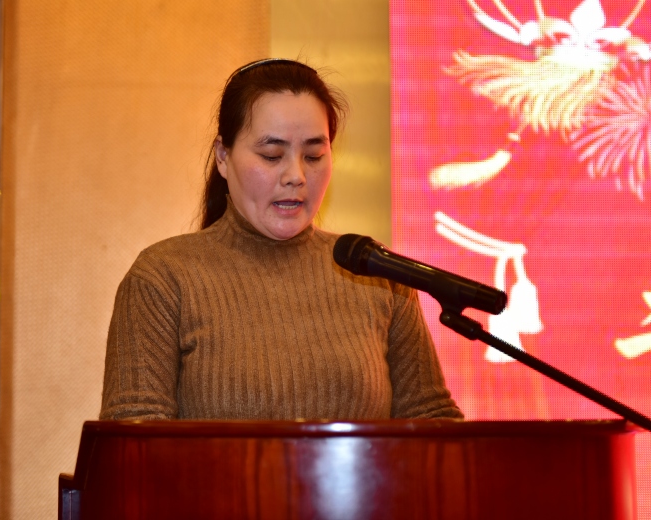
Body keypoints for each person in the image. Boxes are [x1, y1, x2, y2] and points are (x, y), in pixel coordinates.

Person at [100, 58, 462, 421]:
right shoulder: (163, 277)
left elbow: (433, 423)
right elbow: (133, 437)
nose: (296, 175)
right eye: (272, 155)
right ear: (223, 157)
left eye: (314, 156)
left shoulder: (379, 275)